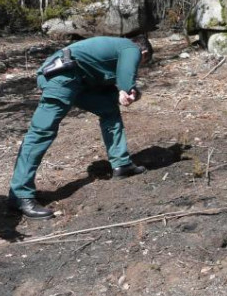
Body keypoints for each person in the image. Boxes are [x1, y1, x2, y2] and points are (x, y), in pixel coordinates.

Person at [8, 35, 153, 220]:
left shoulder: (112, 51)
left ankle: (122, 164)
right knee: (41, 132)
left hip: (77, 79)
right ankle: (20, 194)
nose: (138, 66)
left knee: (109, 110)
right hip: (61, 75)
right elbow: (126, 79)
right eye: (142, 63)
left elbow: (108, 82)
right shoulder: (130, 48)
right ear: (144, 52)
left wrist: (126, 91)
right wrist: (128, 89)